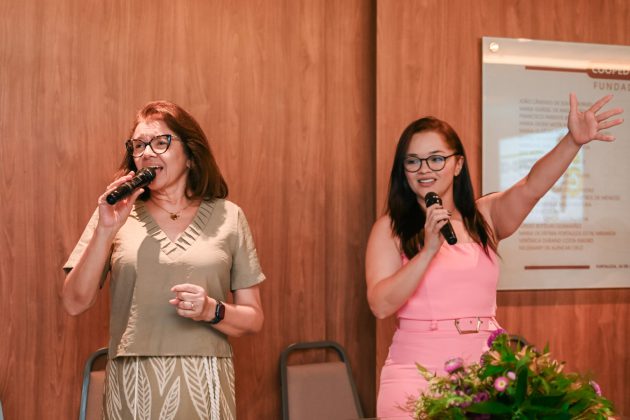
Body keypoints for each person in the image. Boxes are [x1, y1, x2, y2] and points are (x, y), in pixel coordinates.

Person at [365, 94, 623, 418]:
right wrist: (429, 250)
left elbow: (531, 186)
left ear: (458, 164)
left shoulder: (483, 217)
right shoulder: (390, 228)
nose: (424, 169)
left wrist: (572, 142)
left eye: (436, 159)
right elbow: (380, 304)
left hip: (483, 375)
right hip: (416, 374)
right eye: (413, 161)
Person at [62, 101, 265, 420]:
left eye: (160, 142)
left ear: (190, 155)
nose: (146, 153)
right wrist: (105, 230)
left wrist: (211, 310)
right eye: (138, 145)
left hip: (205, 385)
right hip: (133, 387)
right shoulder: (115, 213)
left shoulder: (229, 217)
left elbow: (253, 319)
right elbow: (74, 303)